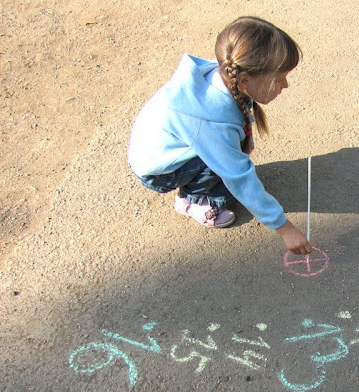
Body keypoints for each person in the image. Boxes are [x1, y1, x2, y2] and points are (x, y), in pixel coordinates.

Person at [128, 16, 312, 255]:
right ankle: (190, 201)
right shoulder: (209, 121)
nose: (285, 85)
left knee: (228, 157)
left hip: (165, 151)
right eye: (279, 79)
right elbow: (238, 175)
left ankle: (198, 182)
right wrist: (284, 227)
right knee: (227, 173)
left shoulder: (226, 79)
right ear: (245, 80)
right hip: (158, 172)